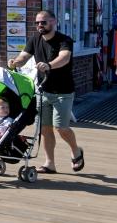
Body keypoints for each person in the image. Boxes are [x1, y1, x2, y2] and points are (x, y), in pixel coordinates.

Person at [7, 10, 84, 174]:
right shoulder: (35, 39)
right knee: (45, 128)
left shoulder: (64, 40)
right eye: (37, 23)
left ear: (54, 22)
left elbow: (64, 58)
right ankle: (50, 164)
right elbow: (23, 56)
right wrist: (15, 63)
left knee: (62, 128)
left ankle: (76, 151)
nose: (40, 25)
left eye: (43, 22)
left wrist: (49, 65)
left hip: (63, 91)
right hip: (43, 91)